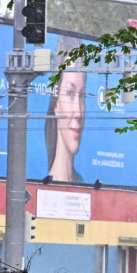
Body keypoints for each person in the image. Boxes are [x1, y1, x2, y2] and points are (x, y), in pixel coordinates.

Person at [45, 36, 86, 183]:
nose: (79, 113)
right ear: (55, 103)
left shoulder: (84, 182)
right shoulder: (39, 183)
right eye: (70, 93)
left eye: (82, 96)